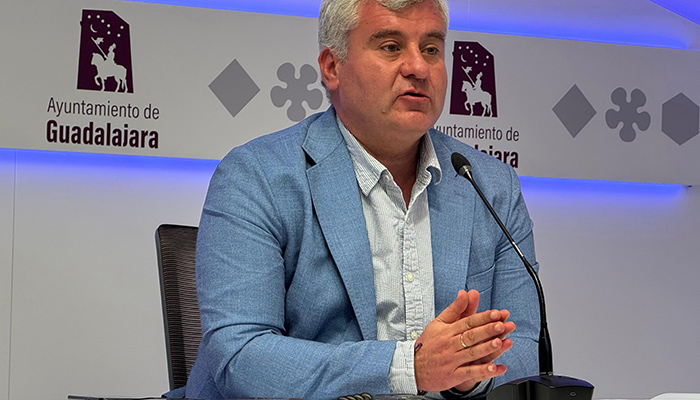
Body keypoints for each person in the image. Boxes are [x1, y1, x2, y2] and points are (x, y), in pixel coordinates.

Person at [180, 0, 540, 399]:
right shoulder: (257, 175)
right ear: (332, 67)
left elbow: (526, 346)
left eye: (431, 49)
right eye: (391, 46)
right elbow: (241, 356)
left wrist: (471, 372)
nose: (418, 68)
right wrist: (410, 368)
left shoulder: (491, 185)